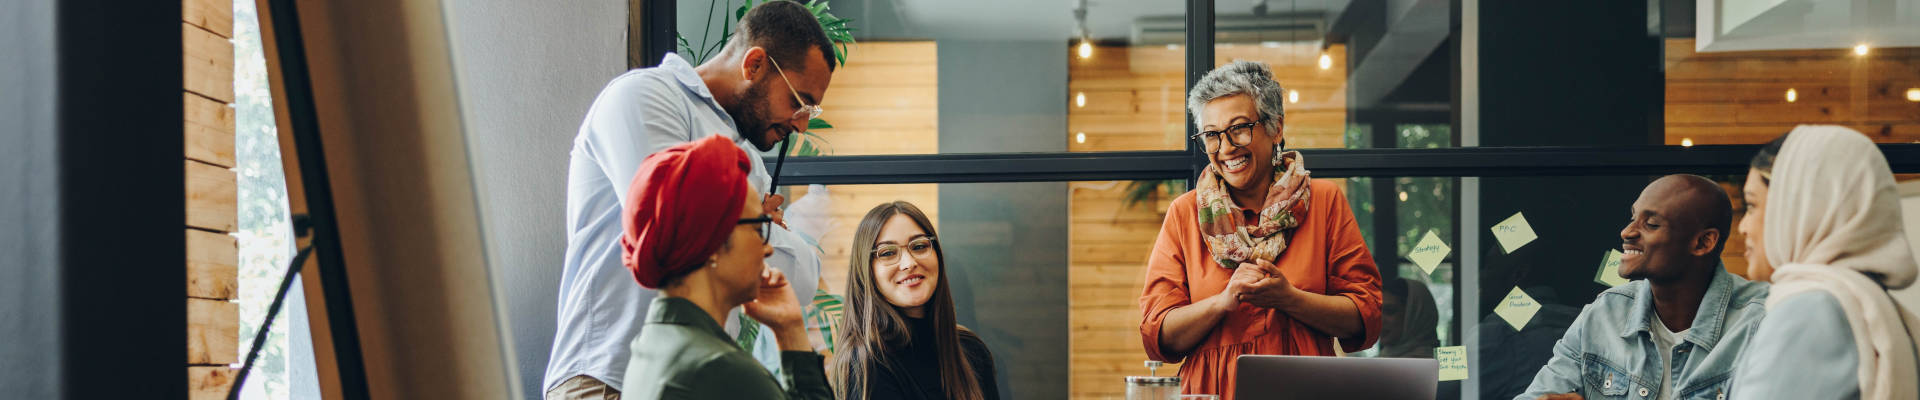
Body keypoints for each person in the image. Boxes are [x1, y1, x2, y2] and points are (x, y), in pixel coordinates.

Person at [543, 1, 840, 398]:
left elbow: (799, 280)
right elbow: (679, 224)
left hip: (699, 377)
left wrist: (750, 221)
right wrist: (764, 222)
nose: (802, 124)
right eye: (799, 102)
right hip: (605, 379)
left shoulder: (749, 157)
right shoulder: (645, 97)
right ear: (754, 66)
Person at [1137, 61, 1383, 399]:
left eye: (1239, 128)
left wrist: (1290, 299)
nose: (1225, 148)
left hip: (1307, 389)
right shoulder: (1185, 213)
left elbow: (1365, 316)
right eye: (1211, 134)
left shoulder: (1325, 202)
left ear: (1276, 129)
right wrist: (1222, 302)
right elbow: (1157, 335)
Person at [1517, 175, 1768, 400]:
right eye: (1633, 217)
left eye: (1651, 224)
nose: (1627, 232)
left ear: (1703, 242)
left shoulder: (1760, 322)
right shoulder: (1604, 313)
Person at [615, 136, 830, 399]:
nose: (768, 249)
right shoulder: (719, 370)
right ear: (713, 241)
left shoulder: (654, 342)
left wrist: (789, 329)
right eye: (758, 228)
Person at [1730, 126, 1920, 400]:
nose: (1743, 227)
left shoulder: (1810, 311)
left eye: (1751, 206)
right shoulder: (1874, 306)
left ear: (1798, 209)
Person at [828, 201, 1000, 400]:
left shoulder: (971, 349)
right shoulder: (866, 364)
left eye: (919, 246)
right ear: (866, 271)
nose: (909, 263)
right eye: (888, 253)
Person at [1380, 278, 1440, 359]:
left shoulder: (1443, 368)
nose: (1379, 321)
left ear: (1416, 315)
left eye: (1390, 311)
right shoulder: (1376, 363)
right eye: (1377, 312)